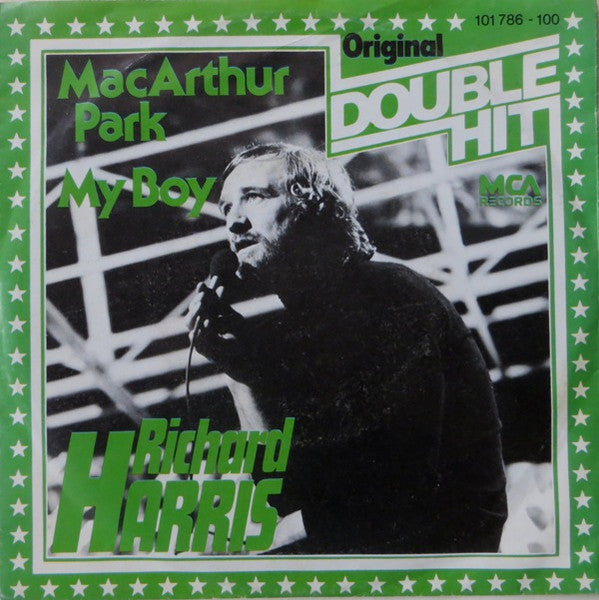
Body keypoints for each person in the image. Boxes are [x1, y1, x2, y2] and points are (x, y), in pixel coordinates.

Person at [187, 143, 507, 554]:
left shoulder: (391, 294)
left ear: (314, 207)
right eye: (227, 207)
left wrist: (279, 535)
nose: (234, 222)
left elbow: (405, 483)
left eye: (255, 196)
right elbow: (285, 494)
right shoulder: (299, 330)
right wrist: (238, 370)